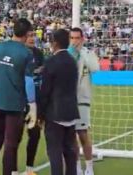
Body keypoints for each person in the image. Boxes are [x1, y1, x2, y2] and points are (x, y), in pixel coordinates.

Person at [0, 18, 33, 175]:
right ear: (26, 34)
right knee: (10, 145)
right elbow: (28, 82)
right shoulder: (26, 53)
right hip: (14, 105)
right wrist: (32, 104)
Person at [39, 29, 79, 175]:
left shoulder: (51, 62)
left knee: (55, 152)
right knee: (70, 151)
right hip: (71, 111)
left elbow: (45, 91)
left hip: (55, 113)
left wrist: (40, 115)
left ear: (54, 43)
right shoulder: (72, 61)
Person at [68, 27, 100, 175]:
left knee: (82, 134)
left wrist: (82, 53)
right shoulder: (67, 54)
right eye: (72, 38)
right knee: (71, 136)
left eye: (77, 38)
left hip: (82, 100)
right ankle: (77, 168)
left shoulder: (88, 53)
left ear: (82, 39)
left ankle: (89, 168)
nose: (74, 41)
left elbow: (95, 68)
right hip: (67, 100)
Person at [24, 30, 45, 175]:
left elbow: (44, 70)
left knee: (35, 134)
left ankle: (29, 168)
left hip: (36, 101)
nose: (32, 38)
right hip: (19, 101)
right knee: (14, 137)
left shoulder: (38, 53)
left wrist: (41, 70)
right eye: (29, 36)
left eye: (33, 35)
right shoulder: (18, 54)